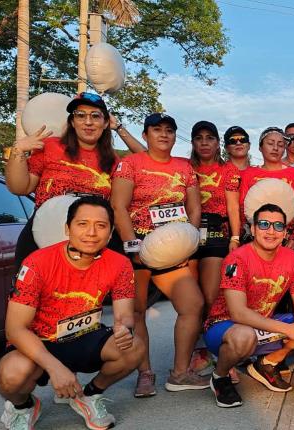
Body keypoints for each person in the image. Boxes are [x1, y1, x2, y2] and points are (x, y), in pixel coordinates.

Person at [0, 196, 144, 430]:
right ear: (67, 228)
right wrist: (55, 368)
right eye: (82, 224)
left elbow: (124, 315)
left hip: (82, 336)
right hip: (39, 341)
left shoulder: (120, 264)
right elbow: (15, 330)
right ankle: (22, 407)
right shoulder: (37, 263)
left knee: (134, 346)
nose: (92, 233)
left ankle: (89, 396)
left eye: (101, 225)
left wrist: (123, 329)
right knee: (11, 375)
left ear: (111, 231)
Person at [111, 113, 208, 398]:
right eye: (157, 130)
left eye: (169, 130)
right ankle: (145, 373)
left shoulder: (184, 167)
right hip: (138, 248)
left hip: (172, 249)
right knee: (137, 310)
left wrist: (187, 241)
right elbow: (119, 208)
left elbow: (194, 209)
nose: (164, 135)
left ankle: (179, 373)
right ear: (145, 135)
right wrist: (132, 247)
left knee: (193, 305)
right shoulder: (129, 164)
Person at [5, 92, 145, 267]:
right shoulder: (49, 146)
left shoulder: (113, 160)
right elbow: (20, 188)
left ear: (105, 122)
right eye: (80, 115)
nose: (88, 122)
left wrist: (119, 127)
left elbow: (147, 162)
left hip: (96, 241)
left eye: (95, 116)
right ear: (72, 122)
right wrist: (18, 150)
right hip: (45, 234)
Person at [203, 204, 294, 405]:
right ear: (253, 229)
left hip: (262, 325)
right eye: (264, 224)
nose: (271, 231)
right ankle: (220, 378)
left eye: (277, 226)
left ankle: (267, 363)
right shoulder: (236, 259)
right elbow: (238, 313)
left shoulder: (293, 259)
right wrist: (287, 329)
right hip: (224, 327)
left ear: (285, 232)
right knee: (244, 335)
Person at [189, 121, 242, 375]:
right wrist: (118, 128)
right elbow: (144, 153)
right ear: (192, 143)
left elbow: (233, 206)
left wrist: (234, 236)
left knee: (210, 297)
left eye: (210, 138)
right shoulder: (185, 167)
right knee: (191, 299)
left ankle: (215, 351)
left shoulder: (228, 170)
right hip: (186, 234)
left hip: (217, 234)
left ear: (218, 143)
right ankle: (196, 348)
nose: (204, 143)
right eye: (199, 138)